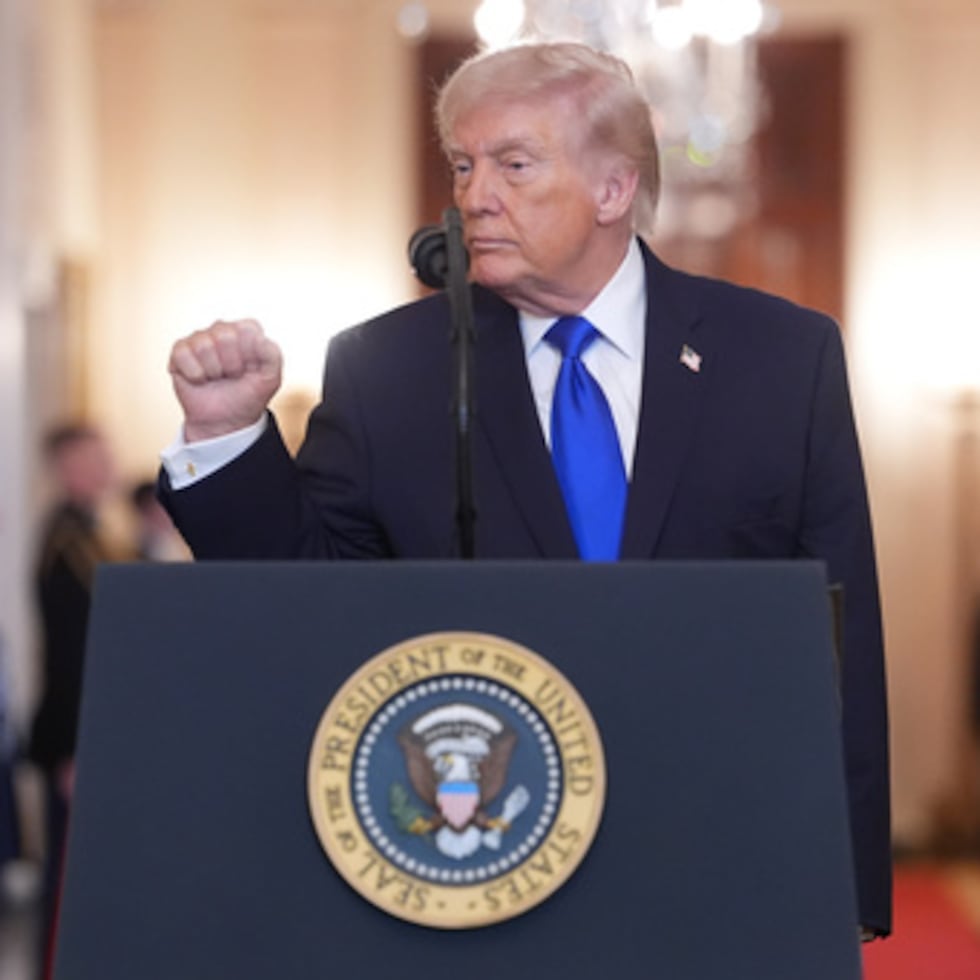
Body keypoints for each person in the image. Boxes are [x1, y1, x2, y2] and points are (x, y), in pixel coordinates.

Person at [158, 42, 891, 937]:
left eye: (514, 164)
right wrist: (227, 434)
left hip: (717, 858)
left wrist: (845, 889)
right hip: (476, 866)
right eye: (464, 166)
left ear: (613, 190)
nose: (474, 196)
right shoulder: (389, 369)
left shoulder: (780, 357)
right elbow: (305, 601)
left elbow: (835, 635)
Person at [28, 423, 116, 974]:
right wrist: (72, 746)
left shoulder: (92, 532)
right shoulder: (67, 542)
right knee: (66, 873)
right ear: (64, 465)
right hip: (71, 733)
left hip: (85, 728)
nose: (104, 466)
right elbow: (68, 653)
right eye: (91, 457)